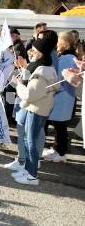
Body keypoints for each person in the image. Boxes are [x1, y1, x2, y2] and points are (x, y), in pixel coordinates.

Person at [11, 38, 58, 185]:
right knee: (27, 139)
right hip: (37, 108)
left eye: (35, 51)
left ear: (42, 54)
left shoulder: (42, 71)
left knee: (31, 141)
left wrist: (19, 85)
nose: (31, 52)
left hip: (36, 109)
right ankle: (27, 169)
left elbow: (30, 95)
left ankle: (32, 175)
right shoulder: (43, 67)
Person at [44, 32, 78, 163]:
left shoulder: (66, 58)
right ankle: (58, 149)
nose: (56, 44)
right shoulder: (69, 57)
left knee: (60, 126)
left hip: (61, 96)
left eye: (58, 42)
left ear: (65, 44)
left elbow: (58, 77)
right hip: (64, 97)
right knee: (59, 125)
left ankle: (61, 153)